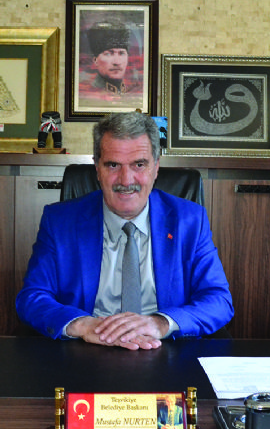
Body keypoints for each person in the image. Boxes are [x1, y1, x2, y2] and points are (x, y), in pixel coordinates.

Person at [15, 111, 234, 350]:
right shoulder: (60, 221)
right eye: (113, 165)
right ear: (97, 168)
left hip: (165, 348)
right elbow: (32, 297)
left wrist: (161, 323)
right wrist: (82, 325)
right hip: (87, 348)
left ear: (156, 168)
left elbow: (218, 300)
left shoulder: (189, 220)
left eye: (139, 164)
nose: (126, 180)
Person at [78, 21, 142, 106]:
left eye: (121, 53)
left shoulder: (133, 90)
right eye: (108, 54)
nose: (117, 62)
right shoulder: (87, 92)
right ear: (95, 60)